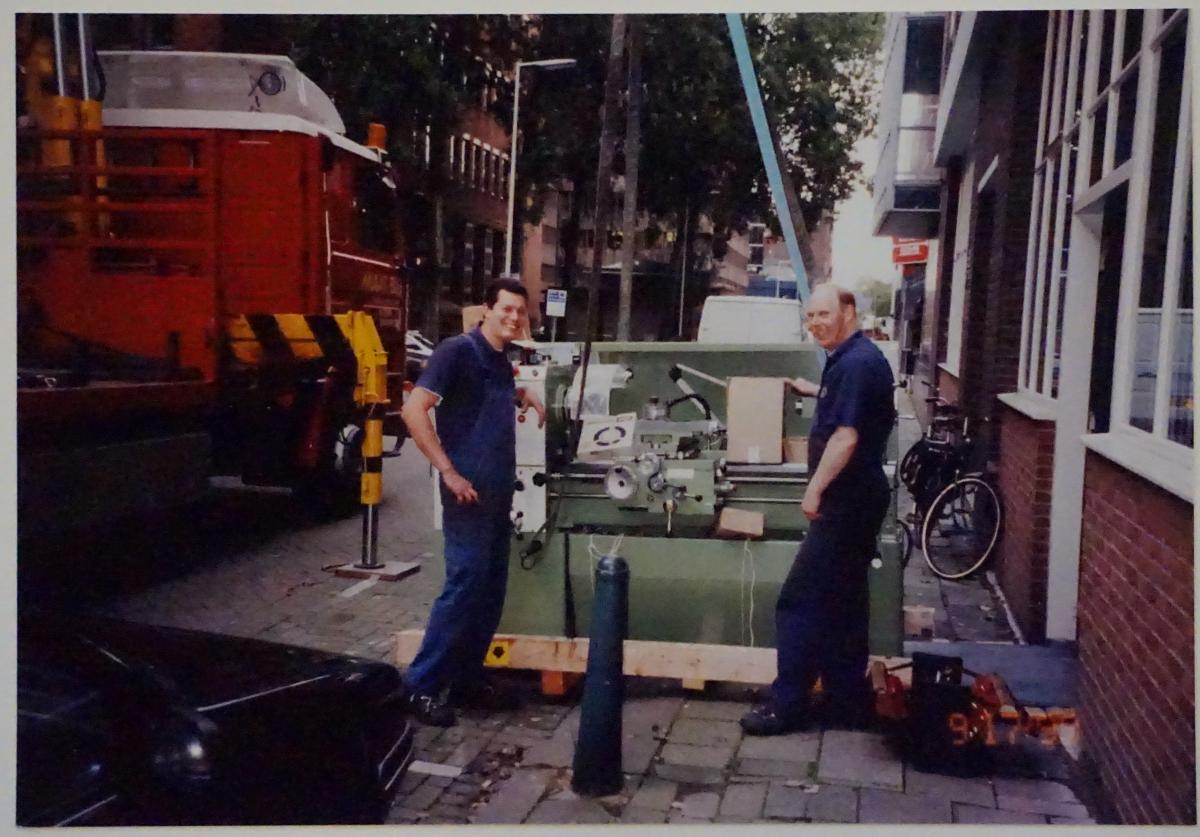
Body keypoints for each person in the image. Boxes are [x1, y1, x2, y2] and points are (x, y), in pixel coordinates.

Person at [741, 283, 895, 736]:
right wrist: (815, 391)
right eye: (809, 317)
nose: (815, 324)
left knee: (800, 601)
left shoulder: (856, 365)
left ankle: (786, 705)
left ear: (850, 311)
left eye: (824, 314)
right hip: (862, 498)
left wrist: (814, 490)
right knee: (844, 602)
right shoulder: (852, 360)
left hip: (844, 502)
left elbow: (846, 437)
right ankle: (847, 701)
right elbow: (852, 411)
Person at [401, 278, 545, 726]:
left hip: (498, 494)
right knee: (463, 588)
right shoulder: (456, 351)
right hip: (466, 494)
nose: (513, 317)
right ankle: (420, 688)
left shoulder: (502, 360)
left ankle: (466, 680)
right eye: (506, 308)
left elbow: (488, 398)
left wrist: (523, 393)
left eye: (520, 311)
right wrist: (448, 471)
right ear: (487, 308)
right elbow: (413, 409)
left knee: (489, 592)